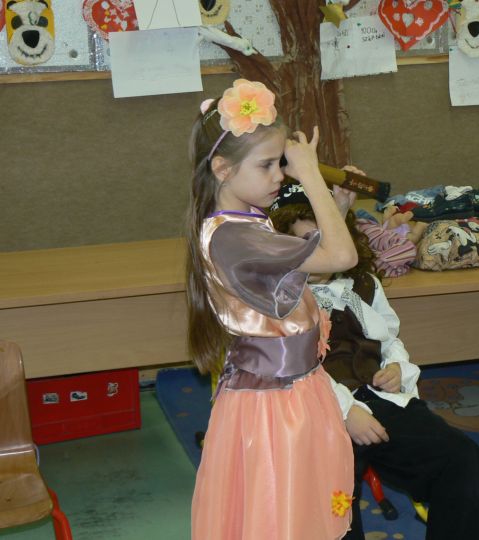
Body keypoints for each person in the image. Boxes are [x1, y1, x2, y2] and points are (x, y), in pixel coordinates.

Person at [270, 181, 479, 540]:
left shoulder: (363, 284)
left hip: (380, 399)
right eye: (303, 242)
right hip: (319, 411)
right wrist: (346, 412)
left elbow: (389, 339)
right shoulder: (280, 297)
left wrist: (396, 369)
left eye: (325, 238)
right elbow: (295, 368)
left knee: (461, 458)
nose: (319, 251)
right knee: (335, 492)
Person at [186, 78, 360, 540]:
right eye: (267, 165)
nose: (280, 176)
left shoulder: (244, 222)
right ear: (222, 169)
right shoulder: (234, 237)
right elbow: (342, 258)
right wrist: (313, 178)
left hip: (294, 395)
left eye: (281, 163)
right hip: (273, 410)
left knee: (303, 514)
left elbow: (295, 283)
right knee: (280, 519)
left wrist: (335, 212)